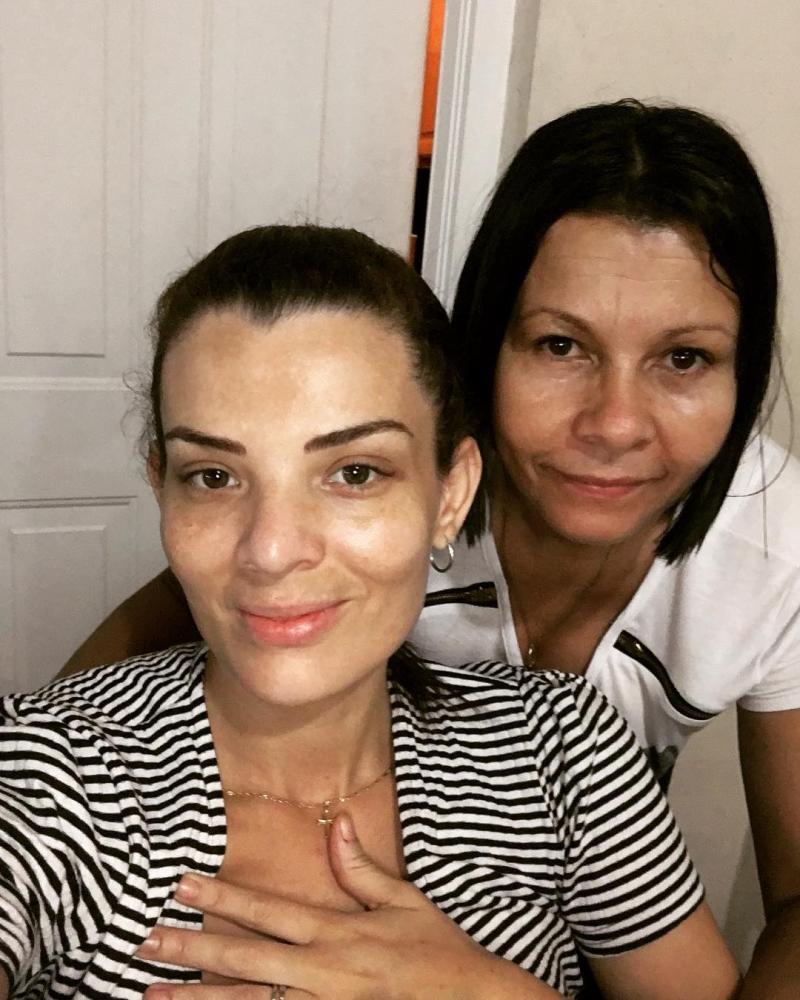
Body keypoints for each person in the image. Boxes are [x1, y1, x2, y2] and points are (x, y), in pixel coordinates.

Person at [60, 100, 800, 996]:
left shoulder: (770, 557)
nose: (615, 425)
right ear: (485, 354)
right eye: (560, 344)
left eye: (684, 358)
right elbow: (111, 697)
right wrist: (51, 760)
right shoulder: (332, 531)